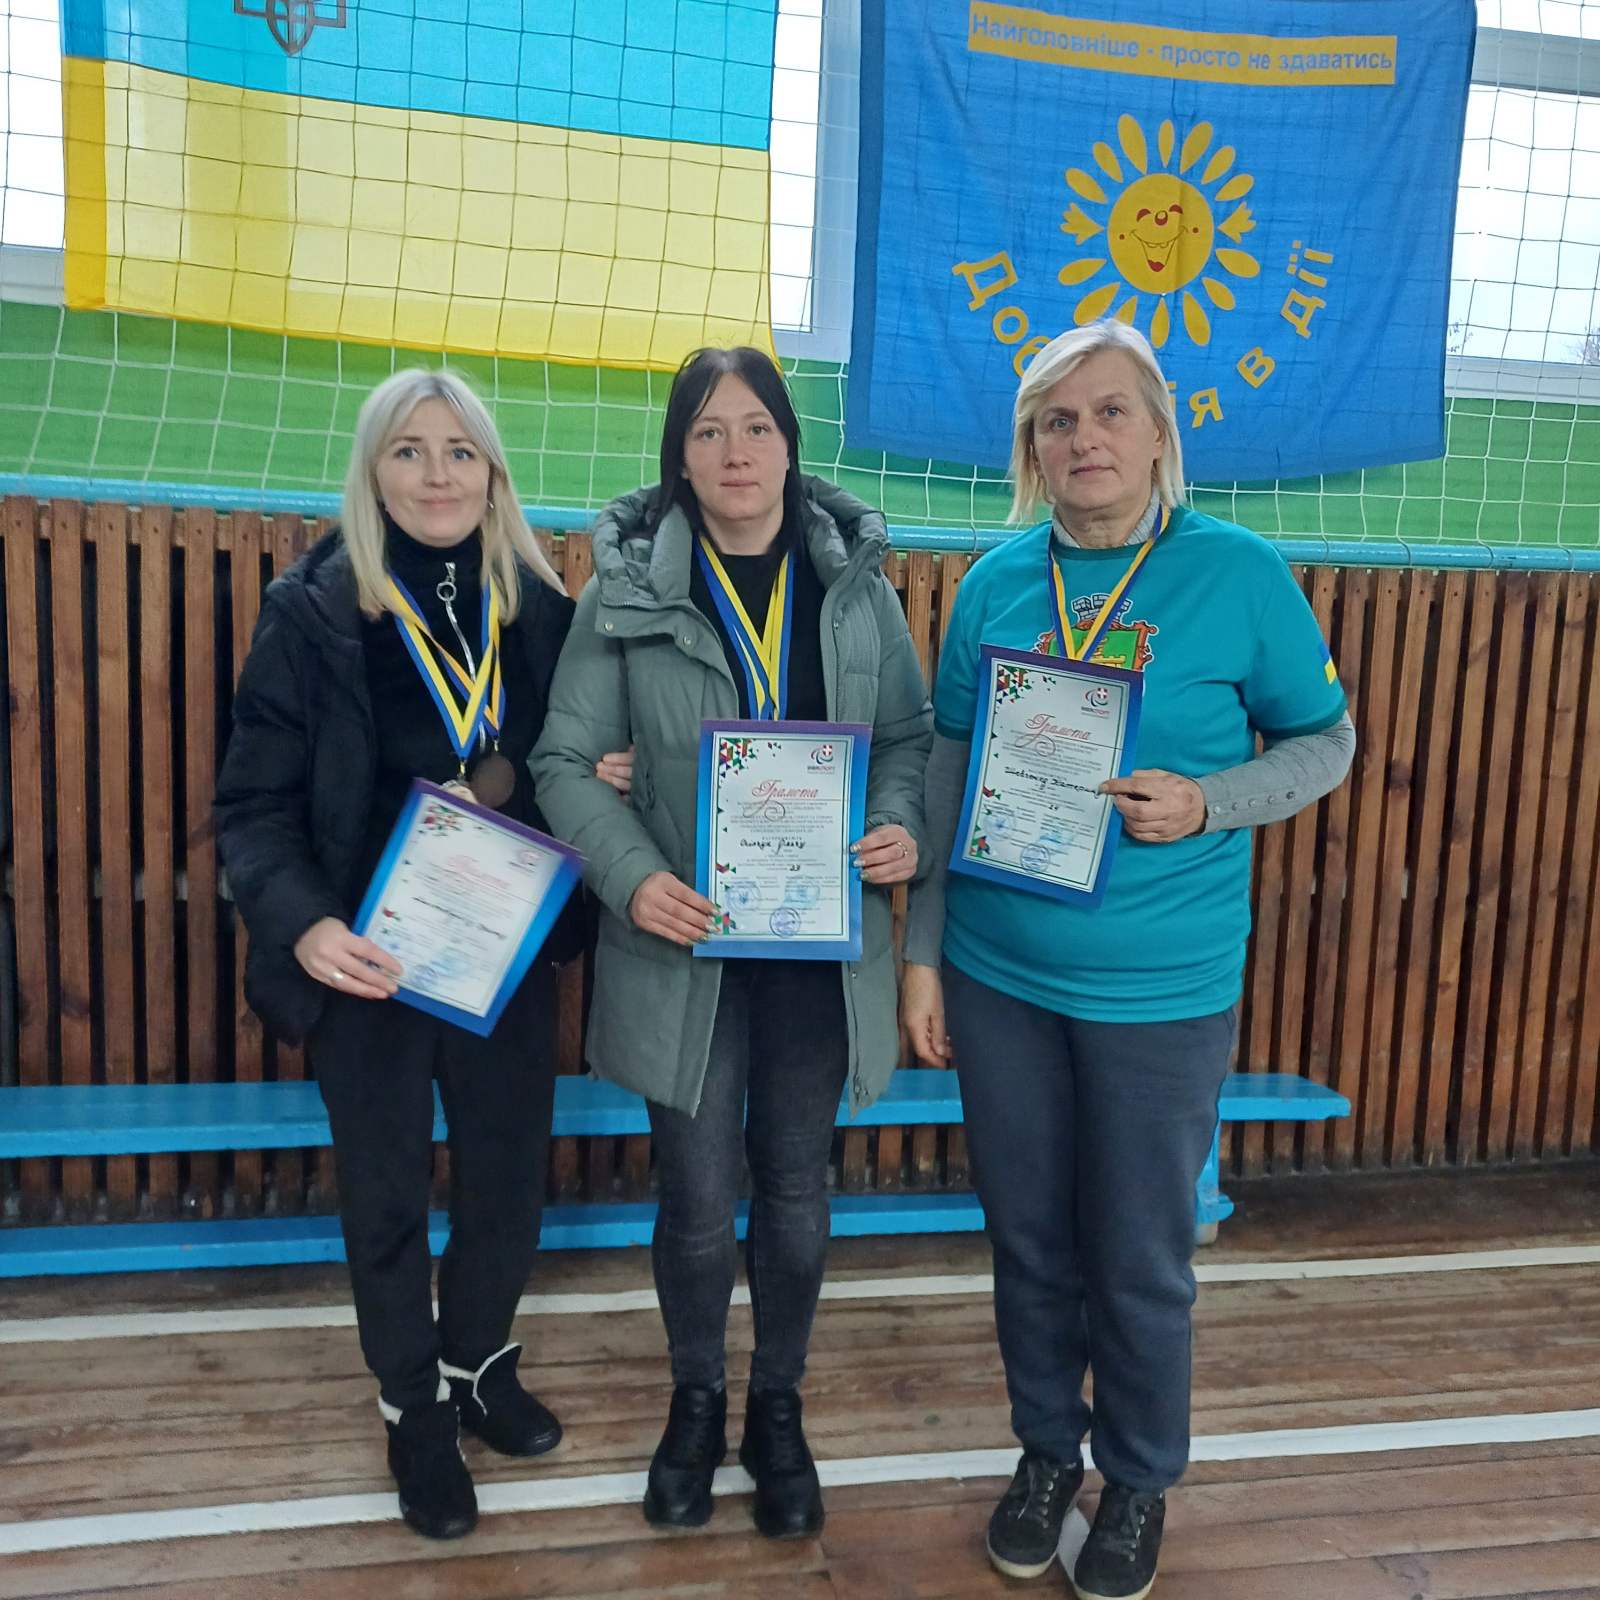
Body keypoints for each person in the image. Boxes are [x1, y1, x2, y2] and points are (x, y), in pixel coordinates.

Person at [901, 321, 1355, 1600]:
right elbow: (944, 774)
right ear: (1031, 451)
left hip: (1160, 988)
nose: (1083, 438)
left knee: (1141, 1257)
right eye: (1056, 420)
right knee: (1028, 1241)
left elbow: (1324, 742)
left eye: (1109, 413)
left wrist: (1208, 801)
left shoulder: (1238, 573)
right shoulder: (995, 583)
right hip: (999, 973)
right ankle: (1048, 1453)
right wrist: (922, 954)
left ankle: (1140, 1477)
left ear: (1159, 434)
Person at [214, 368, 629, 1541]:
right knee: (389, 1191)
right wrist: (308, 924)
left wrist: (605, 773)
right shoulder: (313, 613)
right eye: (409, 450)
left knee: (507, 1178)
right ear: (372, 471)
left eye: (460, 451)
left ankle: (477, 1361)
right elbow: (252, 807)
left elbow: (570, 763)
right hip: (370, 961)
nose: (436, 474)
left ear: (493, 474)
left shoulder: (540, 611)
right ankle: (412, 1405)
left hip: (501, 953)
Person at [533, 346, 932, 1539]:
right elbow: (565, 762)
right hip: (683, 947)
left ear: (790, 445)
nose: (735, 452)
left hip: (818, 947)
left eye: (756, 426)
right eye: (707, 431)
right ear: (679, 455)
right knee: (700, 1197)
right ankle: (696, 1401)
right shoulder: (621, 596)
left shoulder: (855, 589)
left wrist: (898, 824)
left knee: (798, 1191)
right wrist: (634, 878)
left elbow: (906, 739)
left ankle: (778, 1406)